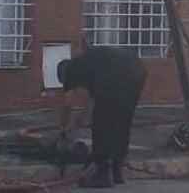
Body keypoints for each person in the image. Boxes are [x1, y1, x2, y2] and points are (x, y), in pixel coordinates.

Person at [57, 46, 148, 188]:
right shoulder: (90, 65)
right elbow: (89, 104)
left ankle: (102, 172)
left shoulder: (69, 70)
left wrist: (65, 128)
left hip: (115, 70)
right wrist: (75, 125)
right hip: (137, 68)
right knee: (123, 119)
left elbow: (69, 104)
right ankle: (117, 168)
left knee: (102, 122)